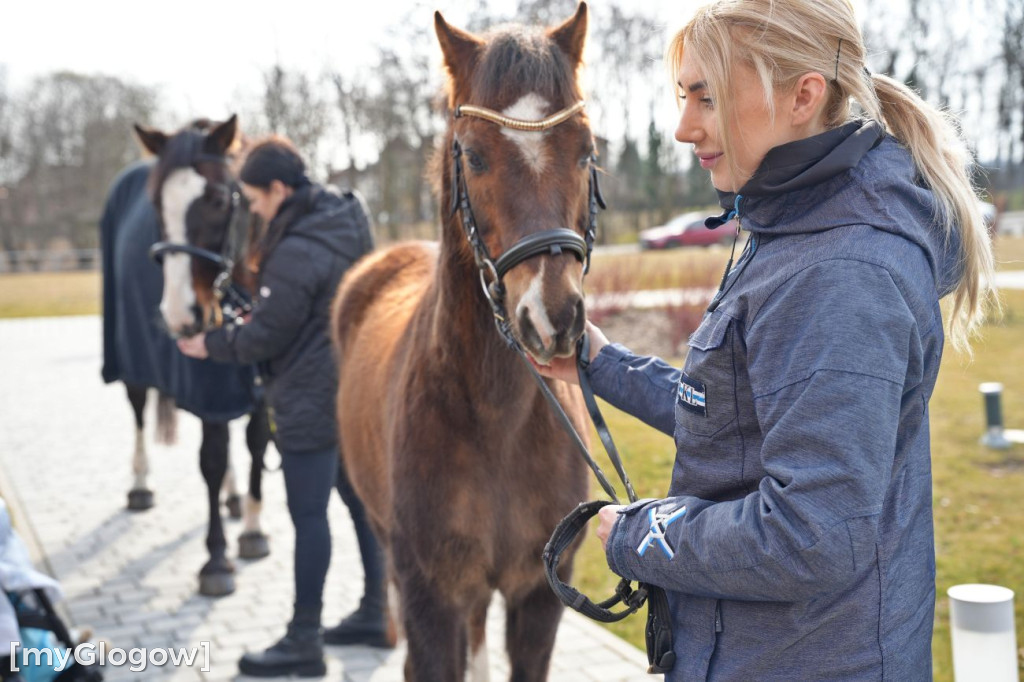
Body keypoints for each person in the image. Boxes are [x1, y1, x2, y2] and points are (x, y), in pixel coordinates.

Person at [536, 0, 996, 678]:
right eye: (682, 95)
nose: (683, 127)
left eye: (708, 98)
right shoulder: (792, 224)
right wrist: (603, 364)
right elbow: (738, 415)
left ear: (803, 96)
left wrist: (643, 535)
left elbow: (811, 535)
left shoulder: (841, 271)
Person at [176, 136, 389, 678]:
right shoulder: (344, 219)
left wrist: (211, 344)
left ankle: (303, 640)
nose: (253, 210)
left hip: (309, 400)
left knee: (308, 515)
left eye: (256, 199)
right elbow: (306, 311)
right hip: (347, 389)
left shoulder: (296, 246)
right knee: (359, 504)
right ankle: (375, 612)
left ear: (278, 188)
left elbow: (268, 334)